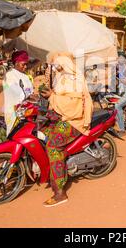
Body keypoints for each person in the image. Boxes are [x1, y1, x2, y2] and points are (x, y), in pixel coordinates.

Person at [39, 52, 93, 207]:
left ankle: (60, 193)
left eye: (57, 63)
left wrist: (52, 97)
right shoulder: (63, 77)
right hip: (64, 117)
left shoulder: (74, 78)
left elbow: (71, 106)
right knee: (43, 132)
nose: (56, 66)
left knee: (53, 146)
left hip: (74, 121)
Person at [3, 50, 34, 135]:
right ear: (16, 63)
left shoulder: (25, 76)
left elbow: (30, 91)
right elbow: (19, 93)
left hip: (25, 111)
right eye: (23, 64)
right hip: (13, 112)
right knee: (14, 135)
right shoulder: (9, 76)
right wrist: (31, 97)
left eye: (26, 64)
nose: (25, 67)